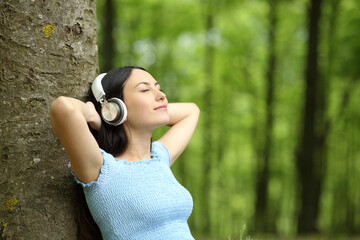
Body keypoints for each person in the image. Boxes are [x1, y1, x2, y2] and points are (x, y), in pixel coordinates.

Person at [50, 66, 200, 240]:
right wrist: (99, 113)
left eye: (158, 88)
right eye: (145, 90)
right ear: (116, 105)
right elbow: (63, 107)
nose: (162, 95)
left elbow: (191, 110)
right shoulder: (102, 169)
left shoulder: (159, 158)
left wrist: (115, 115)